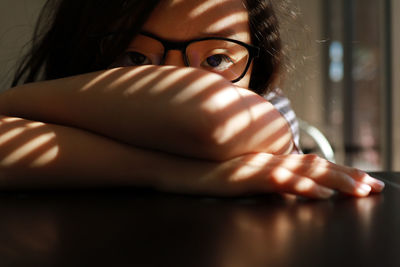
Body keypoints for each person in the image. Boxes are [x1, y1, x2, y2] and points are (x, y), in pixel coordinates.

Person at [0, 0, 384, 198]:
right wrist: (182, 173)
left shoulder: (263, 106)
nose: (177, 80)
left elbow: (210, 115)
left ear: (257, 66)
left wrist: (11, 103)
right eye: (135, 59)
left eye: (216, 60)